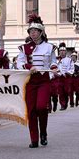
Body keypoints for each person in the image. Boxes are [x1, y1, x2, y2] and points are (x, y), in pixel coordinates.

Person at [17, 14, 57, 148]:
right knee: (31, 110)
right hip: (30, 80)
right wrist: (29, 67)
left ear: (41, 32)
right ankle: (34, 138)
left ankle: (43, 132)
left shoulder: (49, 47)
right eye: (31, 31)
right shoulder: (24, 48)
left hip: (44, 80)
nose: (33, 33)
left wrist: (54, 68)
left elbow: (53, 62)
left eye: (35, 31)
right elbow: (20, 63)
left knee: (41, 107)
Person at [55, 42, 72, 111]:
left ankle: (65, 103)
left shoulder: (69, 60)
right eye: (60, 51)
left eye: (63, 51)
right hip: (59, 78)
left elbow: (72, 68)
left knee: (66, 91)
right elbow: (54, 68)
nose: (62, 52)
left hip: (66, 77)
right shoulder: (57, 60)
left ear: (66, 52)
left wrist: (68, 73)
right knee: (60, 92)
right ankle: (62, 104)